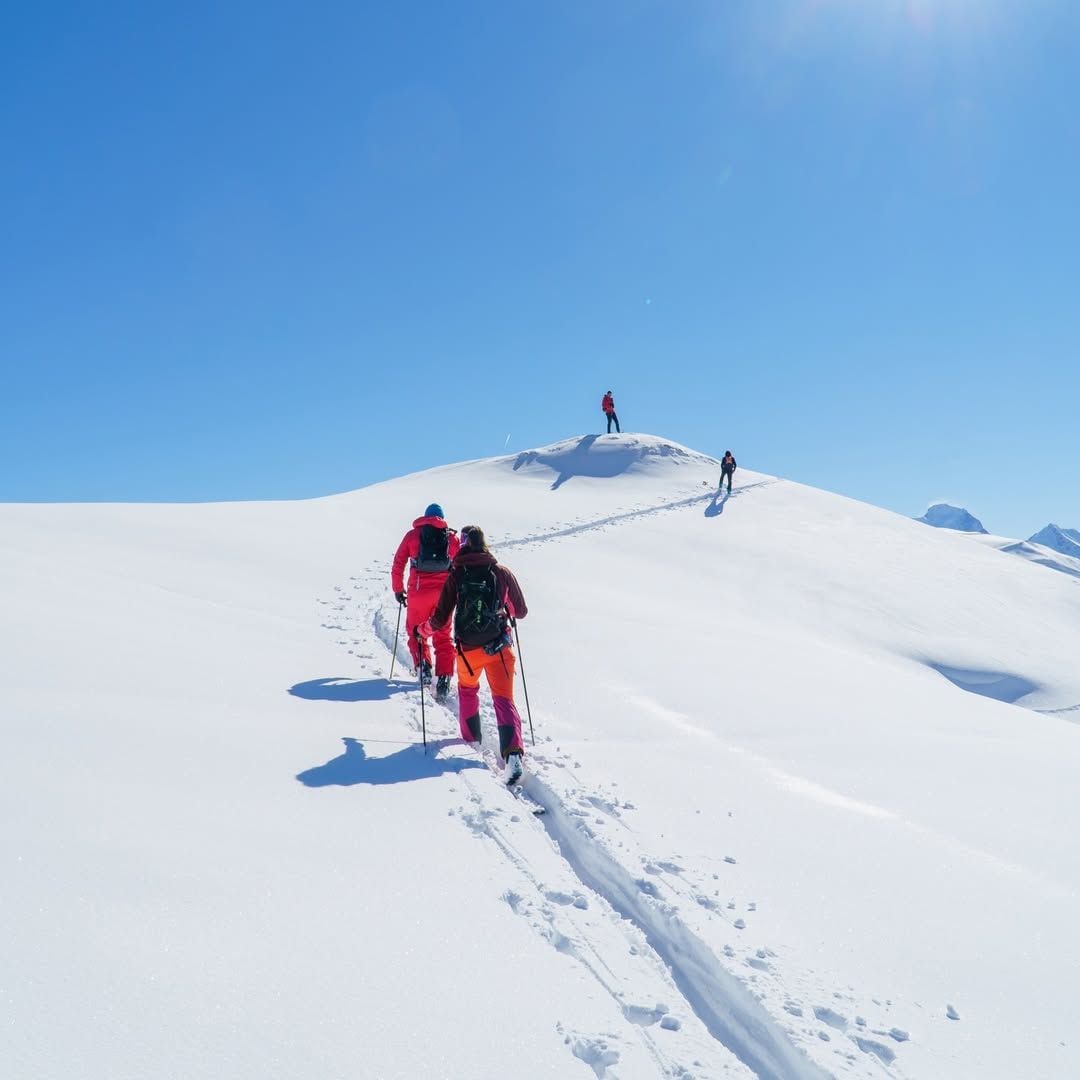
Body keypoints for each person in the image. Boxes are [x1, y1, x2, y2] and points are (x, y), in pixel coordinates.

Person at [419, 525, 529, 782]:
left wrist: (421, 631)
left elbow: (440, 619)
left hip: (468, 653)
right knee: (504, 699)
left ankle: (471, 743)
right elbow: (520, 611)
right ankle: (513, 755)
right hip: (500, 648)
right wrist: (504, 612)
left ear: (464, 544)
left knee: (468, 692)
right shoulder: (500, 572)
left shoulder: (456, 575)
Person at [390, 504, 460, 699]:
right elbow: (461, 564)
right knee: (443, 635)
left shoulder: (413, 536)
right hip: (443, 596)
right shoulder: (450, 537)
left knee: (416, 631)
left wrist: (398, 589)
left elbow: (398, 563)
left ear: (425, 516)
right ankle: (445, 677)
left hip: (418, 593)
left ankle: (424, 667)